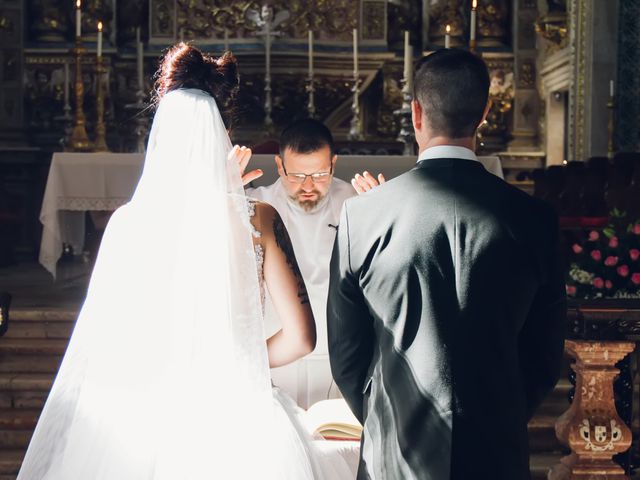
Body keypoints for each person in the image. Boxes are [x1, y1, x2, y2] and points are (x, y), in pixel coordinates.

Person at [18, 44, 354, 480]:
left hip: (141, 419)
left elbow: (112, 337)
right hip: (239, 419)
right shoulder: (259, 218)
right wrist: (236, 358)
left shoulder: (125, 225)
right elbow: (302, 339)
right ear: (220, 136)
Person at [327, 48, 566, 479]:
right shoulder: (535, 220)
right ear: (485, 113)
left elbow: (346, 352)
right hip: (496, 449)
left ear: (416, 113)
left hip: (396, 454)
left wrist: (387, 416)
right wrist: (501, 413)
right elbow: (545, 355)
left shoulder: (362, 217)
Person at [247, 119, 355, 407]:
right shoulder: (258, 204)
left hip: (338, 354)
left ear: (333, 163)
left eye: (319, 174)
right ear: (280, 166)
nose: (308, 186)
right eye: (296, 175)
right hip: (279, 350)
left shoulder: (356, 202)